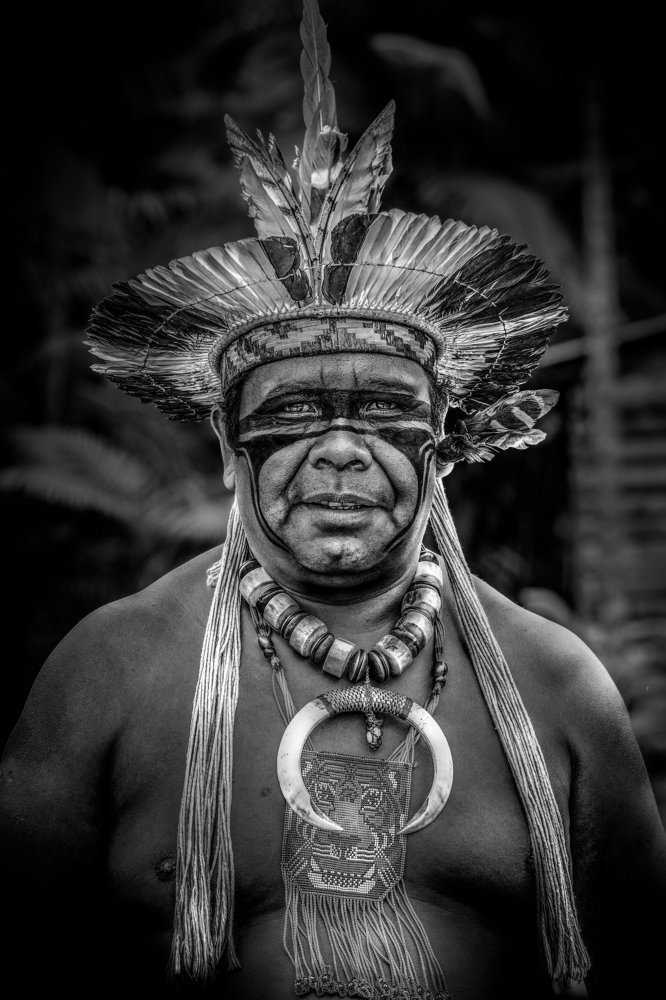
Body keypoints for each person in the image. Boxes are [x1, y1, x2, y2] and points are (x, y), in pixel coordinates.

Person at [2, 3, 665, 998]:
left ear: (439, 446)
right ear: (230, 444)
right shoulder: (110, 674)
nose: (342, 451)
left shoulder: (556, 688)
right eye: (300, 410)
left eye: (384, 412)